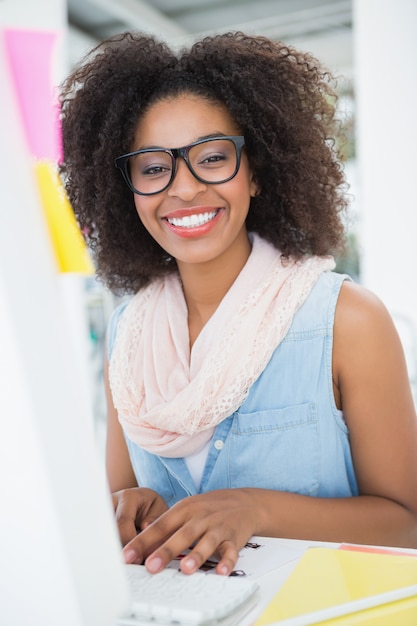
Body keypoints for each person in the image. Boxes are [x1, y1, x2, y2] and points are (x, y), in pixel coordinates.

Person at [59, 31, 417, 577]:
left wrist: (258, 509)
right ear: (125, 190)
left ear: (255, 172)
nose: (183, 188)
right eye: (155, 168)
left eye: (212, 157)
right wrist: (131, 512)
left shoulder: (346, 320)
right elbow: (123, 499)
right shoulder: (128, 334)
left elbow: (408, 523)